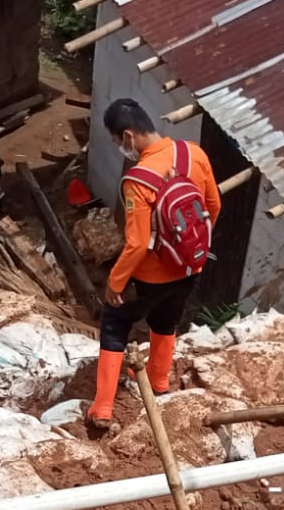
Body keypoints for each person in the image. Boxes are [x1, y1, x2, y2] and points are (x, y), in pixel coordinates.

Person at [87, 99, 221, 425]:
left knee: (114, 325)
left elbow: (136, 244)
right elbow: (213, 206)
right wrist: (190, 249)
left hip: (151, 275)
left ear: (129, 136)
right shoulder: (194, 154)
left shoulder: (139, 180)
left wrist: (115, 282)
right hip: (192, 267)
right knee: (166, 320)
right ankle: (159, 380)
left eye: (118, 141)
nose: (121, 147)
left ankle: (102, 408)